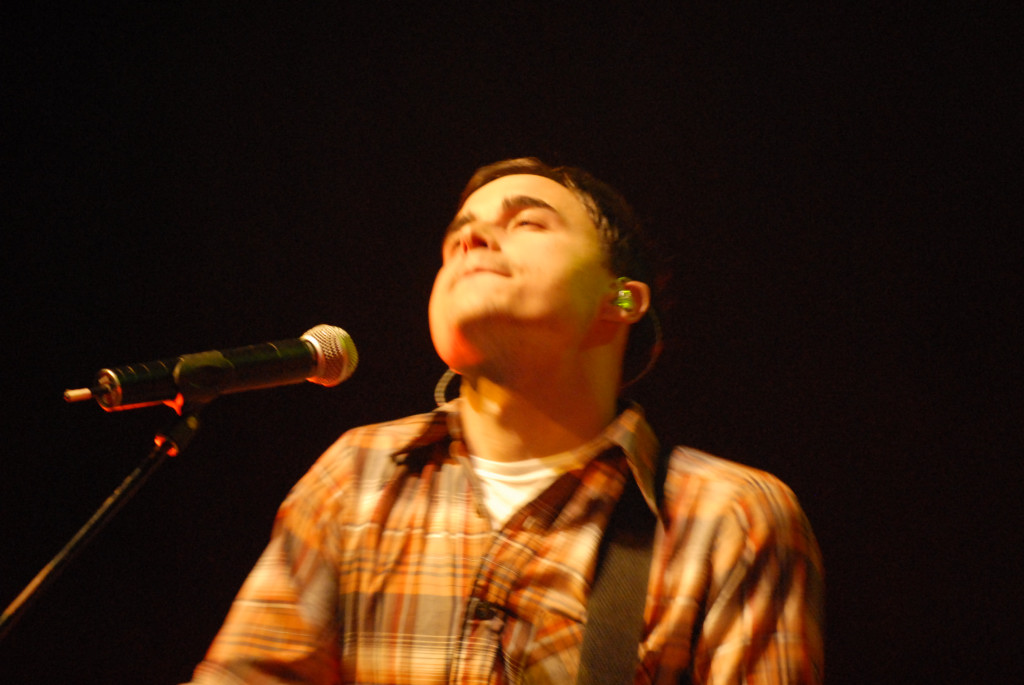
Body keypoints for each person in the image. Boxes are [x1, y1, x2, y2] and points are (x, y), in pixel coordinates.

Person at [185, 158, 824, 684]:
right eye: (457, 236)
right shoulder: (356, 475)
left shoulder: (727, 517)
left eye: (527, 223)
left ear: (622, 298)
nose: (471, 240)